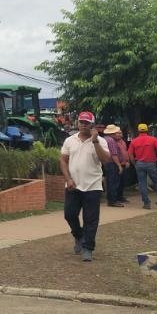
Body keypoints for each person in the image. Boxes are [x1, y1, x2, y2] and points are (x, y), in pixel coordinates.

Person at [60, 111, 111, 262]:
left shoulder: (100, 141)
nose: (83, 125)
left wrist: (95, 141)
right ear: (77, 123)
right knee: (69, 214)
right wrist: (68, 179)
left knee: (91, 219)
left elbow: (106, 159)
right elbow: (63, 160)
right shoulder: (70, 140)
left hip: (93, 185)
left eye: (87, 123)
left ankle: (88, 248)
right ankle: (78, 236)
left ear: (92, 125)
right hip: (73, 185)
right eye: (81, 122)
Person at [128, 123, 157, 210]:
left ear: (138, 131)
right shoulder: (153, 139)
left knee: (142, 184)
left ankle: (146, 203)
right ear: (147, 130)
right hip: (151, 163)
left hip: (139, 163)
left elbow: (130, 154)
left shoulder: (134, 141)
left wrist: (134, 163)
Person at [102, 124, 125, 207]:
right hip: (112, 163)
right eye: (116, 133)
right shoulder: (111, 141)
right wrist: (119, 165)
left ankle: (111, 200)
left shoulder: (105, 139)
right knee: (113, 182)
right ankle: (113, 200)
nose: (118, 134)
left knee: (110, 182)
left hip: (107, 163)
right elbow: (114, 154)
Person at [113, 128, 130, 202]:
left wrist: (127, 161)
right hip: (116, 164)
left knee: (122, 182)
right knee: (116, 182)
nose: (119, 134)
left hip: (124, 163)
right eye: (117, 133)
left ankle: (120, 197)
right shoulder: (113, 142)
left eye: (120, 133)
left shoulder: (123, 142)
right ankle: (116, 198)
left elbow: (125, 152)